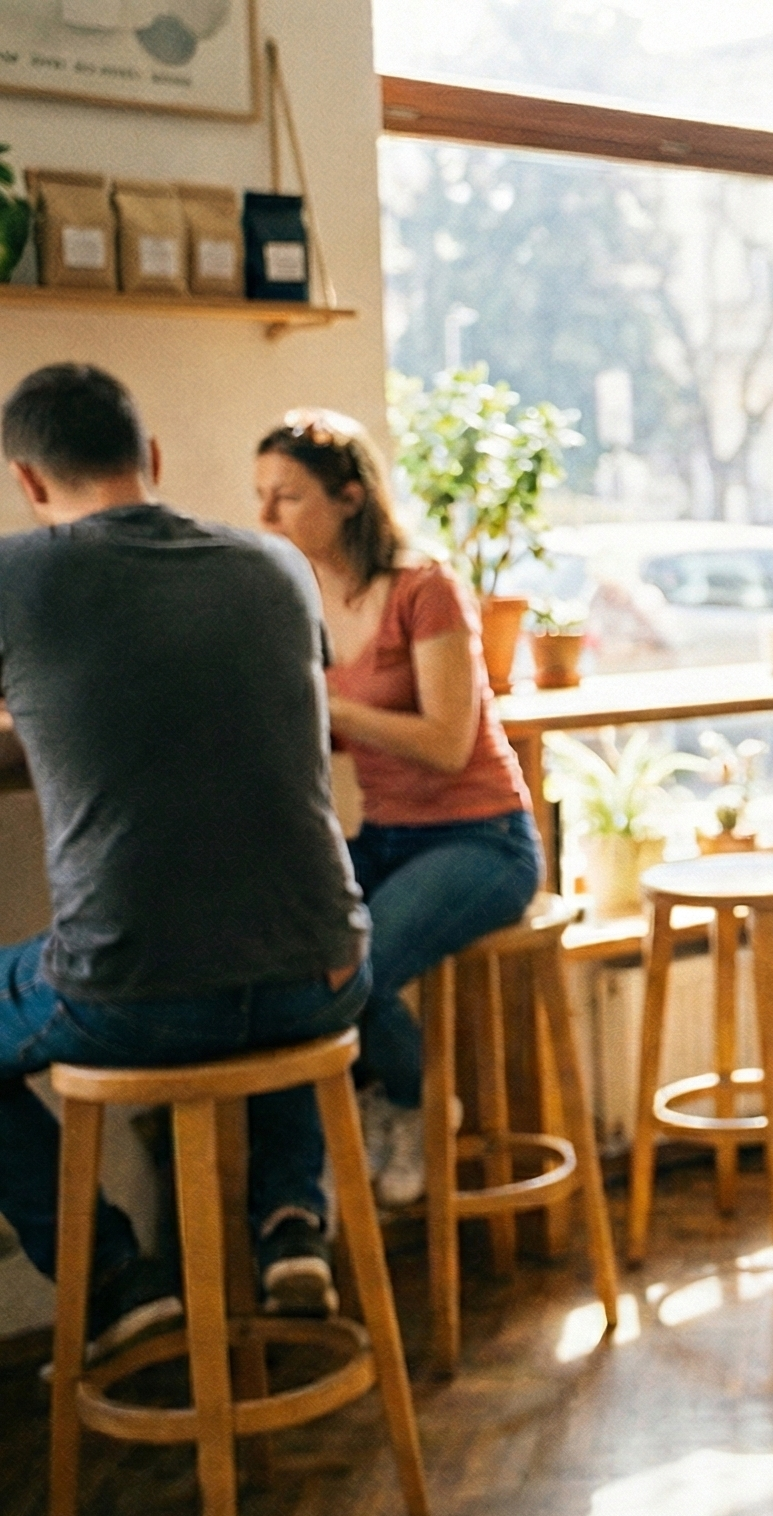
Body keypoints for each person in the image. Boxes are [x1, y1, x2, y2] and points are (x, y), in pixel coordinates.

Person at [0, 364, 372, 1351]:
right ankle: (292, 1217)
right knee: (263, 907)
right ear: (153, 459)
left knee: (176, 946)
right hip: (328, 976)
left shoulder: (15, 574)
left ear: (29, 485)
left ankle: (114, 1277)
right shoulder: (277, 567)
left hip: (135, 1000)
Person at [255, 409, 542, 1207]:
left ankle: (416, 1104)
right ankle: (324, 1169)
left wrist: (326, 706)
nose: (265, 517)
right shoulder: (301, 598)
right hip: (388, 834)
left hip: (483, 839)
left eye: (285, 497)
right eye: (261, 497)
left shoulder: (426, 586)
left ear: (349, 497)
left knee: (362, 965)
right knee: (288, 942)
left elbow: (448, 743)